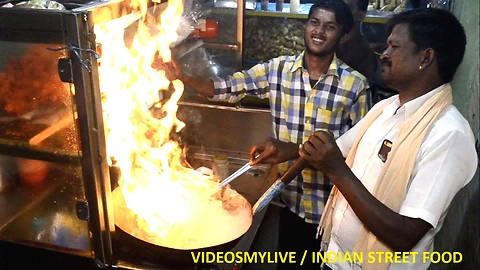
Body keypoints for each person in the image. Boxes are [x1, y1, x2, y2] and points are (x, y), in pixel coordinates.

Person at [162, 0, 370, 268]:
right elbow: (226, 87)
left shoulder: (355, 85)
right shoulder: (278, 70)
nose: (319, 31)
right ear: (305, 26)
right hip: (290, 204)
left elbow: (361, 152)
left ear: (342, 35)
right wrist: (184, 77)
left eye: (329, 27)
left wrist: (291, 149)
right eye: (314, 23)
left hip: (332, 213)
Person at [296, 8, 478, 270]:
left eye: (393, 47)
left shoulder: (448, 135)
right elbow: (335, 151)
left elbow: (405, 235)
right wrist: (288, 150)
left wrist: (337, 171)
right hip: (335, 259)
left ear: (425, 58)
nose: (384, 55)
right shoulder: (386, 108)